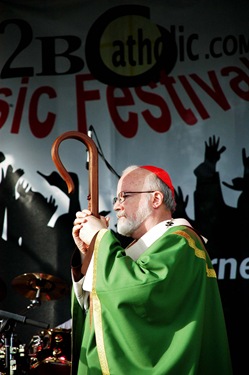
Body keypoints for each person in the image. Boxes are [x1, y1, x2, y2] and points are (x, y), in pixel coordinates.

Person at [71, 165, 233, 375]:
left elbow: (138, 293)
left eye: (124, 196)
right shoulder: (135, 250)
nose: (117, 207)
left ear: (156, 199)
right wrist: (91, 254)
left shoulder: (181, 242)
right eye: (116, 199)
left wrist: (100, 239)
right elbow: (101, 305)